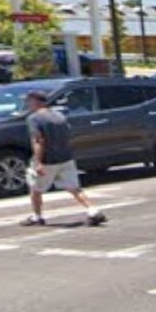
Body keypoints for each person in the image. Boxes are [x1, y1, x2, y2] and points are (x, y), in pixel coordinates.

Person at [22, 88, 106, 227]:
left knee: (35, 189)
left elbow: (38, 141)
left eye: (29, 101)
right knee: (74, 188)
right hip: (66, 157)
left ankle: (37, 216)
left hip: (47, 160)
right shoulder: (59, 116)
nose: (28, 104)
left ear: (36, 101)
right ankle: (93, 210)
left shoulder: (34, 118)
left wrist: (37, 162)